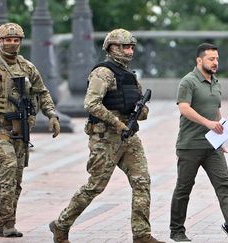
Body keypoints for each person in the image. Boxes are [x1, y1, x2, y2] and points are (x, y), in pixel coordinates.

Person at [49, 29, 164, 243]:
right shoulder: (102, 73)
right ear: (112, 48)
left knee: (142, 182)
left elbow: (142, 110)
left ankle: (141, 234)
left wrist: (139, 111)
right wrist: (118, 123)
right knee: (95, 186)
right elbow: (91, 104)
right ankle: (61, 224)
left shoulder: (130, 76)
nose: (130, 51)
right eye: (125, 47)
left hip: (128, 138)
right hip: (104, 139)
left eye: (132, 47)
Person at [0, 23, 60, 237]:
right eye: (8, 40)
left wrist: (52, 115)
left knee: (16, 179)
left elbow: (42, 92)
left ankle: (6, 222)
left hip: (21, 131)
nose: (12, 44)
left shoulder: (27, 67)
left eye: (16, 40)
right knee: (8, 167)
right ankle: (6, 224)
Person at [170, 43, 228, 243]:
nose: (215, 63)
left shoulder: (216, 82)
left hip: (212, 147)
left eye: (217, 59)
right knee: (183, 189)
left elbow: (216, 112)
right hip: (189, 146)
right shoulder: (188, 81)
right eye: (211, 59)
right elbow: (184, 108)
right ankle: (177, 231)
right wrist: (208, 124)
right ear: (199, 60)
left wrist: (219, 137)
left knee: (224, 185)